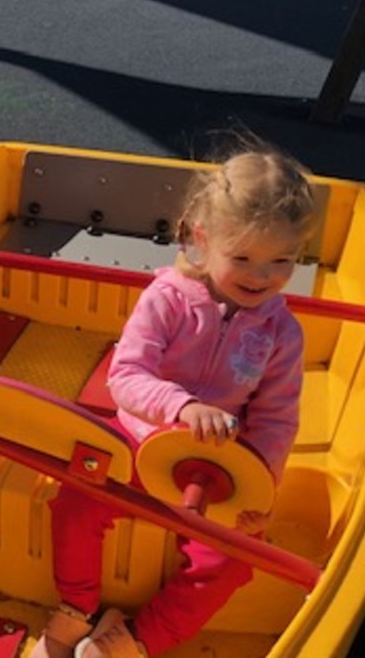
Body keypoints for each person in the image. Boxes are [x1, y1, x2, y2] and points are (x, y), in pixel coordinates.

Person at [32, 145, 319, 658]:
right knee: (75, 500)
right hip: (140, 439)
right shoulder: (166, 299)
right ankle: (78, 606)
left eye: (284, 260)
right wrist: (180, 407)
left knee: (231, 561)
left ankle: (141, 640)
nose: (263, 276)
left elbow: (276, 417)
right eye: (244, 258)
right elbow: (127, 375)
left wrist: (260, 488)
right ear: (202, 240)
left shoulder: (281, 331)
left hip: (217, 466)